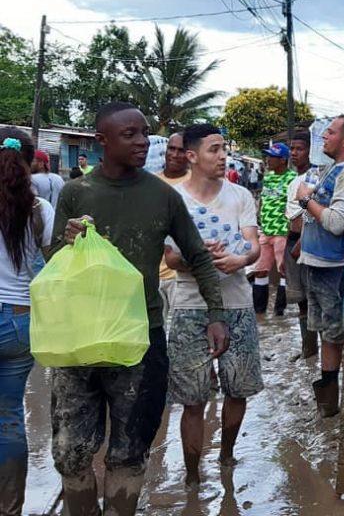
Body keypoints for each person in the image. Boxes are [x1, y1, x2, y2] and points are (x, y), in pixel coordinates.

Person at [49, 102, 228, 516]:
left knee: (129, 452)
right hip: (79, 339)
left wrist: (215, 315)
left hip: (140, 338)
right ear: (102, 141)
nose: (142, 141)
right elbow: (53, 260)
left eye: (144, 133)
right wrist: (68, 240)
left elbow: (198, 256)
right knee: (70, 452)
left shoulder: (162, 195)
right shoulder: (77, 193)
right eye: (129, 134)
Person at [164, 124, 263, 488]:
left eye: (224, 149)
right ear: (192, 156)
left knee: (238, 387)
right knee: (192, 397)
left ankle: (226, 454)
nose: (223, 156)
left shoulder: (240, 196)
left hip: (237, 302)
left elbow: (252, 244)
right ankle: (192, 475)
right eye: (214, 150)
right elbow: (171, 258)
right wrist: (198, 259)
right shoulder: (173, 199)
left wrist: (242, 260)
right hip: (190, 306)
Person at [294, 115, 344, 417]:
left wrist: (304, 201)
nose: (324, 136)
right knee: (329, 334)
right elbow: (321, 215)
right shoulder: (333, 170)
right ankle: (329, 405)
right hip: (319, 264)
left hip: (340, 270)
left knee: (341, 334)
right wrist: (303, 241)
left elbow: (337, 223)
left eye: (331, 132)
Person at [0, 128, 54, 516]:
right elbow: (58, 263)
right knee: (9, 418)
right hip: (21, 321)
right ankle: (10, 508)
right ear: (33, 162)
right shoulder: (40, 209)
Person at [284, 130, 319, 358]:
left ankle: (315, 352)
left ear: (310, 150)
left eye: (300, 149)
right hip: (292, 242)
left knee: (313, 297)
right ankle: (308, 350)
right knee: (300, 299)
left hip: (306, 243)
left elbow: (313, 211)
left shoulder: (314, 177)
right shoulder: (292, 179)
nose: (294, 153)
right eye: (292, 149)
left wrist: (303, 240)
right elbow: (290, 214)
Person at [252, 142, 296, 316]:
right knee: (260, 270)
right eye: (268, 156)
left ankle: (279, 312)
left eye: (273, 157)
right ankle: (259, 312)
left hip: (282, 232)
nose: (268, 159)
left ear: (283, 160)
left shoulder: (292, 178)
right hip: (266, 231)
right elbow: (264, 200)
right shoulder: (268, 177)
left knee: (283, 271)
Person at [156, 132, 191, 326]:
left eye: (181, 150)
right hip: (153, 273)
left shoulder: (196, 185)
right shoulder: (151, 183)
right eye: (172, 149)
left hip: (183, 276)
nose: (175, 155)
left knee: (183, 334)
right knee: (154, 335)